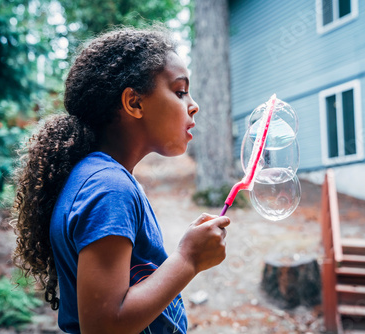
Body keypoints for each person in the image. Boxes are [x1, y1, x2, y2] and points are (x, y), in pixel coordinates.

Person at [12, 26, 230, 334]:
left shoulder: (97, 178)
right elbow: (103, 326)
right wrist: (188, 259)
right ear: (135, 103)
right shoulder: (108, 188)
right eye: (180, 91)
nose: (193, 105)